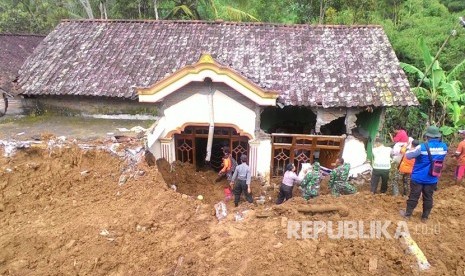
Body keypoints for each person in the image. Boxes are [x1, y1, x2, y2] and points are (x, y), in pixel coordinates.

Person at [400, 126, 448, 222]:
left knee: (414, 196)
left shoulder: (422, 147)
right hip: (432, 178)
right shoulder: (444, 147)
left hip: (418, 177)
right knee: (428, 197)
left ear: (427, 136)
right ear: (438, 136)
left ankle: (408, 215)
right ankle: (425, 217)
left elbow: (408, 156)